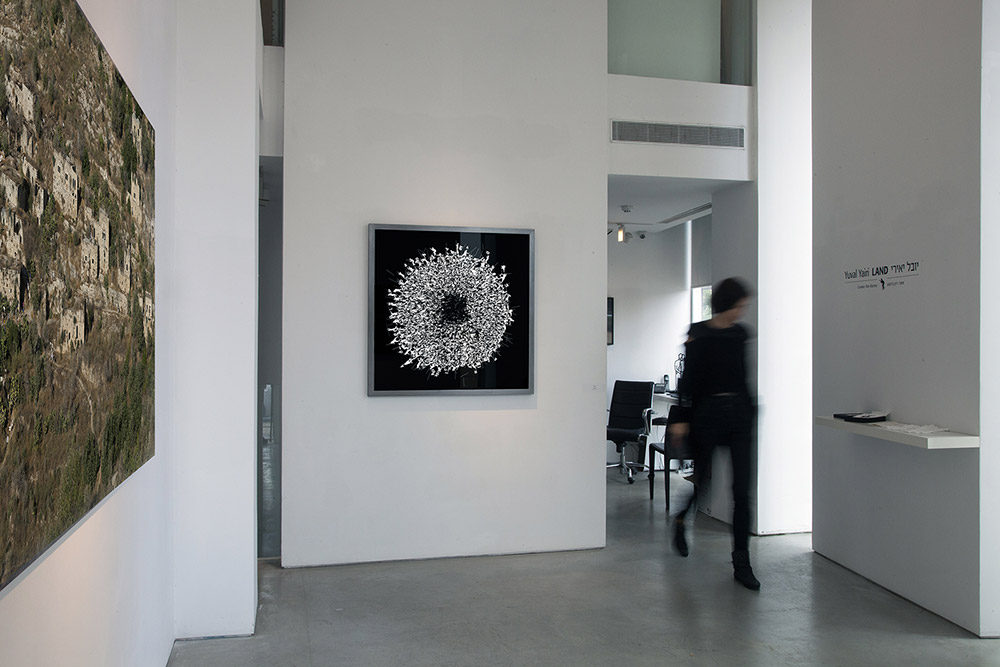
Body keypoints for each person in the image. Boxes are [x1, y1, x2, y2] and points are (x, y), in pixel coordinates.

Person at [666, 277, 759, 590]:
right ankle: (681, 520)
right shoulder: (699, 333)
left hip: (739, 418)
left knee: (742, 492)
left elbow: (743, 379)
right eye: (738, 306)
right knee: (704, 483)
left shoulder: (740, 334)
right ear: (725, 304)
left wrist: (750, 412)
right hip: (707, 416)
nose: (740, 312)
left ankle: (742, 562)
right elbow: (688, 380)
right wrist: (680, 419)